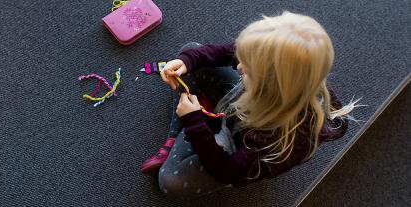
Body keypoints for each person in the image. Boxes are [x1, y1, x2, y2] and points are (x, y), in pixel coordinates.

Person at [141, 11, 361, 200]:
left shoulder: (280, 143)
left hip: (235, 147)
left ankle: (192, 124)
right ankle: (182, 132)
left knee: (171, 181)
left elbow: (228, 171)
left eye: (247, 70)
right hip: (237, 110)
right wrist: (188, 60)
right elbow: (228, 54)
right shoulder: (282, 75)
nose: (238, 66)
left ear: (272, 88)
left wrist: (195, 124)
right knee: (191, 53)